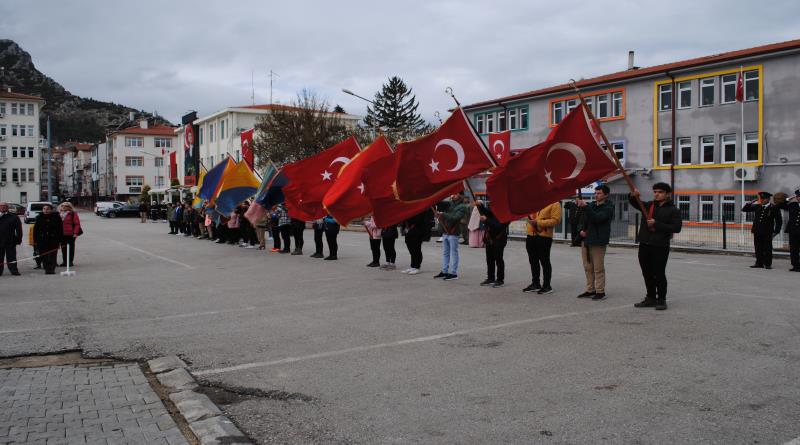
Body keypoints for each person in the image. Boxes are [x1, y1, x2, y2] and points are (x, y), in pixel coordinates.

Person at [629, 182, 682, 310]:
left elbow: (676, 228)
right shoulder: (648, 206)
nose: (657, 194)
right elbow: (635, 202)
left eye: (660, 192)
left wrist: (656, 223)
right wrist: (632, 195)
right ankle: (651, 297)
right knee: (647, 273)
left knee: (659, 273)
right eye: (655, 192)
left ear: (667, 194)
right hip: (645, 244)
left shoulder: (673, 210)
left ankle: (662, 299)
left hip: (660, 246)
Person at [576, 185, 614, 301]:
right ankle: (590, 289)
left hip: (598, 241)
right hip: (587, 240)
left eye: (599, 193)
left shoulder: (608, 207)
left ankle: (600, 291)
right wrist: (581, 230)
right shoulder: (591, 205)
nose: (596, 195)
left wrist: (586, 207)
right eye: (596, 193)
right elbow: (582, 220)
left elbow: (598, 218)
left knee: (598, 268)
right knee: (588, 267)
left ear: (606, 195)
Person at [524, 201, 562, 294]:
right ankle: (535, 283)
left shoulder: (555, 203)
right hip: (530, 235)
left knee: (544, 261)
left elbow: (556, 220)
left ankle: (547, 285)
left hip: (544, 236)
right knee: (533, 261)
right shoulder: (536, 201)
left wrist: (538, 222)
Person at [742, 191, 782, 269]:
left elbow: (779, 221)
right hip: (757, 231)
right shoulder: (758, 206)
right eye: (761, 199)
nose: (761, 200)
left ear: (768, 199)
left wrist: (776, 231)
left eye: (763, 199)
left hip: (767, 231)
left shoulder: (773, 208)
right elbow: (744, 209)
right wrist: (751, 202)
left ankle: (767, 264)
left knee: (767, 248)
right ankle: (759, 263)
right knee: (758, 248)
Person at [433, 192, 468, 281]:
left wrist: (443, 214)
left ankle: (453, 273)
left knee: (454, 253)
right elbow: (439, 203)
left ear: (461, 195)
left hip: (453, 232)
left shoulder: (462, 207)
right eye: (453, 193)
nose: (453, 195)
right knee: (445, 253)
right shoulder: (450, 203)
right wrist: (434, 197)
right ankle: (444, 271)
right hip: (445, 231)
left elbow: (455, 218)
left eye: (456, 194)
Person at [477, 200, 509, 288]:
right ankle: (490, 278)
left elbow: (498, 225)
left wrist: (486, 220)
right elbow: (489, 213)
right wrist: (480, 206)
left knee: (498, 259)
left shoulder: (505, 211)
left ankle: (500, 280)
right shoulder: (494, 207)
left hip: (499, 238)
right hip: (490, 237)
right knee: (489, 259)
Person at [33, 203, 63, 275]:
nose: (46, 210)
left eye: (48, 209)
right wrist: (36, 240)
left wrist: (60, 239)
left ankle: (52, 269)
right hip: (42, 240)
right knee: (44, 255)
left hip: (53, 240)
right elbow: (35, 230)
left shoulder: (56, 217)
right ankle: (46, 268)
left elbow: (60, 229)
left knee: (53, 255)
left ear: (51, 210)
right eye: (44, 209)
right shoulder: (39, 217)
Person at [402, 209, 433, 275]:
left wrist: (408, 217)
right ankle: (412, 266)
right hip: (409, 231)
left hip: (417, 231)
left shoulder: (420, 210)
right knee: (411, 249)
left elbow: (419, 220)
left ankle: (417, 267)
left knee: (416, 249)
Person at [775, 189, 800, 271]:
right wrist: (788, 199)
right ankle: (795, 266)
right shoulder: (793, 205)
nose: (799, 198)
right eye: (798, 196)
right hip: (793, 231)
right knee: (793, 249)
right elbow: (779, 206)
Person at [0, 201, 23, 276]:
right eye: (1, 206)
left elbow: (19, 230)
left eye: (4, 206)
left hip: (10, 240)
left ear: (7, 207)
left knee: (11, 257)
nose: (3, 207)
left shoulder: (14, 217)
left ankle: (14, 270)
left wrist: (18, 240)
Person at [59, 201, 81, 268]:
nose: (64, 207)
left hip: (70, 234)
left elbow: (77, 224)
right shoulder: (59, 214)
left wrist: (75, 233)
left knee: (70, 248)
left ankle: (70, 261)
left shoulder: (73, 214)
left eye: (66, 206)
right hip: (62, 234)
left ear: (69, 207)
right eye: (62, 206)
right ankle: (64, 261)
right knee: (63, 248)